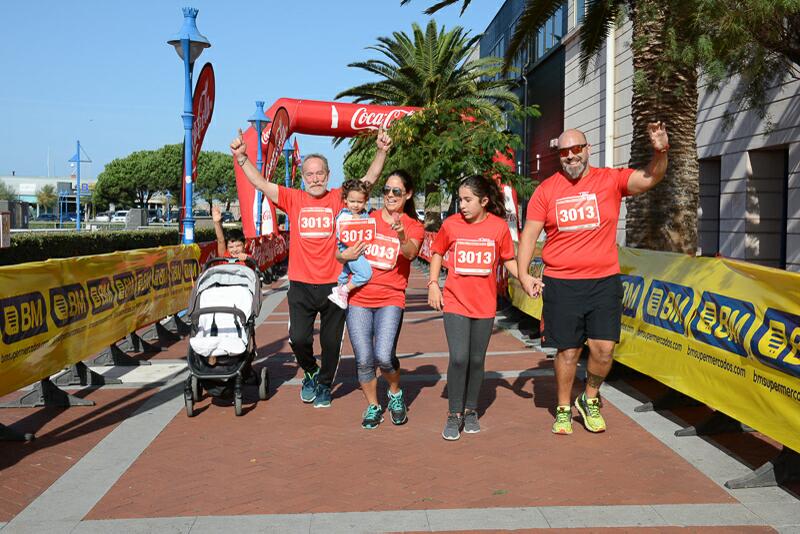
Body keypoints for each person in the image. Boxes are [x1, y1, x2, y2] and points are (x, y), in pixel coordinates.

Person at [516, 122, 669, 435]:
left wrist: (661, 151)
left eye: (577, 149)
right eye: (564, 152)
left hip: (603, 282)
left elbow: (651, 177)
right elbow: (529, 233)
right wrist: (523, 274)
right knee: (568, 351)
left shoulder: (609, 180)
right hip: (561, 283)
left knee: (603, 350)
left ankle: (590, 398)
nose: (571, 156)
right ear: (558, 156)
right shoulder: (546, 190)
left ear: (587, 150)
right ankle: (562, 408)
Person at [231, 127, 393, 408]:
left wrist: (381, 150)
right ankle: (310, 372)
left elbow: (369, 180)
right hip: (301, 285)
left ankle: (325, 385)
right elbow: (261, 185)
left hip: (335, 285)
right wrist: (242, 159)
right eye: (310, 174)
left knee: (331, 344)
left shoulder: (339, 198)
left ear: (328, 176)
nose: (315, 178)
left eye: (320, 173)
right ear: (302, 177)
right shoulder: (293, 198)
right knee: (298, 339)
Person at [428, 175, 519, 441]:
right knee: (459, 358)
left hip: (484, 305)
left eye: (468, 200)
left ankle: (470, 410)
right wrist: (434, 284)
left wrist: (525, 279)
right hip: (455, 301)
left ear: (484, 201)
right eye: (460, 199)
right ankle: (453, 413)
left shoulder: (498, 228)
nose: (462, 205)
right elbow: (436, 252)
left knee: (477, 360)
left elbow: (508, 261)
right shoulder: (451, 225)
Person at [338, 170, 424, 429]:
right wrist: (345, 256)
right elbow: (339, 253)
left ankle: (395, 394)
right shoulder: (368, 218)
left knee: (384, 356)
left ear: (407, 194)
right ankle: (373, 406)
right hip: (360, 297)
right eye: (386, 190)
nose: (389, 195)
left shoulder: (412, 225)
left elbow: (410, 254)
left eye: (396, 191)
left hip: (391, 297)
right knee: (364, 358)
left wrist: (400, 234)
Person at [328, 180, 373, 309]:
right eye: (352, 201)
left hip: (359, 250)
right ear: (345, 200)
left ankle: (339, 288)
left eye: (360, 202)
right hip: (350, 249)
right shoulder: (344, 215)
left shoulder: (364, 214)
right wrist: (354, 221)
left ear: (365, 201)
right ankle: (344, 290)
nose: (356, 205)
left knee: (345, 272)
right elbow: (341, 231)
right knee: (365, 274)